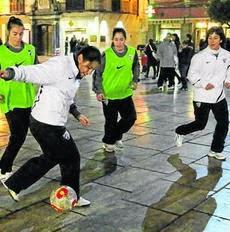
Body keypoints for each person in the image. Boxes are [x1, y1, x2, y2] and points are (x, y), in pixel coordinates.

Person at [0, 45, 101, 204]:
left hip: (47, 122)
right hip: (46, 123)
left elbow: (67, 97)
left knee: (52, 156)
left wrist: (76, 114)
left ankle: (14, 184)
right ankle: (70, 197)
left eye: (92, 70)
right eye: (88, 67)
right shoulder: (60, 66)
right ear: (80, 58)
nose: (88, 72)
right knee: (71, 157)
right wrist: (13, 73)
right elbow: (34, 71)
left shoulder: (75, 74)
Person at [175, 26, 230, 161]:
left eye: (215, 38)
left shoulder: (227, 55)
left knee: (223, 124)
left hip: (219, 96)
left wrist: (228, 80)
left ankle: (215, 150)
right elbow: (191, 75)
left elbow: (228, 70)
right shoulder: (199, 56)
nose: (212, 41)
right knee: (200, 124)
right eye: (210, 38)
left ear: (221, 40)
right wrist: (204, 84)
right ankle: (180, 132)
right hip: (202, 96)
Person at [0, 16, 39, 181]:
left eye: (21, 34)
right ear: (8, 32)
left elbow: (38, 71)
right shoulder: (1, 52)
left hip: (29, 99)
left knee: (36, 132)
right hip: (10, 100)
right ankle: (3, 168)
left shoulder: (31, 50)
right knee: (18, 135)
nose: (18, 37)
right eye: (15, 33)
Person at [93, 27, 140, 152]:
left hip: (125, 93)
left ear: (125, 39)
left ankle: (114, 136)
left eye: (121, 39)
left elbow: (136, 66)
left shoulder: (132, 52)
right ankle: (109, 143)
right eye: (116, 40)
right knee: (111, 121)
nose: (119, 42)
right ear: (112, 40)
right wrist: (99, 91)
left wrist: (135, 80)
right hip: (109, 95)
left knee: (131, 118)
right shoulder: (106, 55)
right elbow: (97, 74)